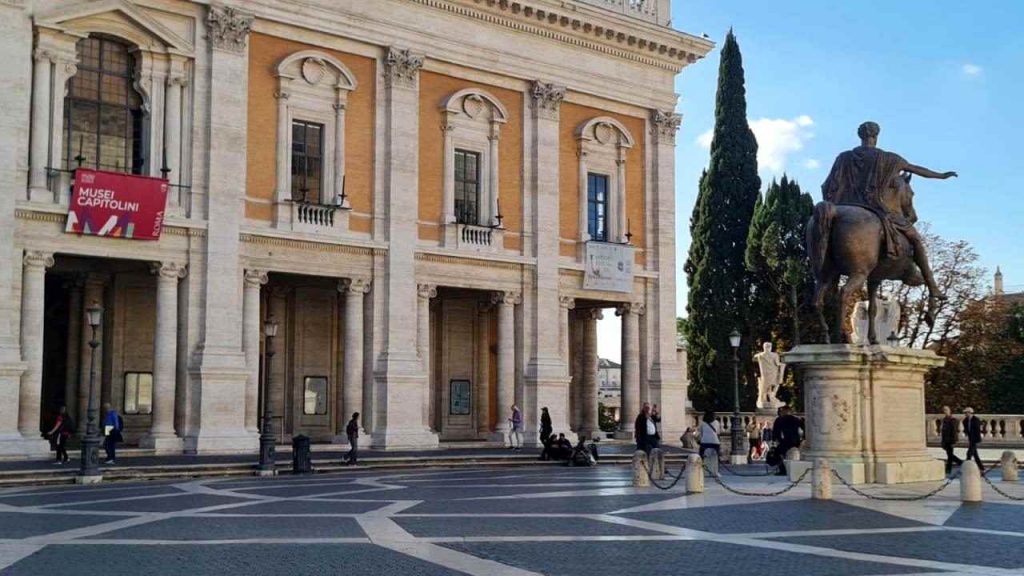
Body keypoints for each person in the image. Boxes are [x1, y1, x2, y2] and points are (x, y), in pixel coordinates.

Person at [821, 121, 957, 319]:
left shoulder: (843, 157)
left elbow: (826, 185)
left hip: (840, 206)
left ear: (860, 135)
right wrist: (941, 176)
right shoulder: (889, 158)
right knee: (916, 239)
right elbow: (917, 169)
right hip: (877, 208)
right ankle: (933, 286)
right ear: (876, 136)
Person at [772, 406, 804, 476]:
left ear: (783, 411)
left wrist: (776, 440)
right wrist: (802, 439)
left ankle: (783, 470)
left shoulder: (779, 419)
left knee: (778, 453)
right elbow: (804, 428)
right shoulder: (796, 419)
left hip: (785, 441)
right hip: (795, 441)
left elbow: (776, 432)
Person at [940, 405, 963, 474]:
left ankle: (948, 469)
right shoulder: (944, 419)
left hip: (951, 440)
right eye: (944, 410)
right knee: (949, 454)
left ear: (949, 411)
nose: (945, 411)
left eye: (946, 410)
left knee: (950, 455)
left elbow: (954, 431)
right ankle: (960, 462)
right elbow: (943, 431)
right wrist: (942, 441)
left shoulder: (953, 420)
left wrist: (954, 441)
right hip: (946, 440)